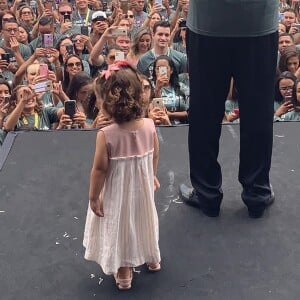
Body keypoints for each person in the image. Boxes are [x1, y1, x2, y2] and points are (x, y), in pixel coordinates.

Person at [179, 1, 278, 218]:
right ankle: (257, 193)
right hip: (258, 23)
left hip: (208, 23)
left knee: (204, 112)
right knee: (258, 112)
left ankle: (207, 194)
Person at [83, 60, 161, 290]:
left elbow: (99, 169)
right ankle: (152, 257)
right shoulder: (149, 125)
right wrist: (151, 175)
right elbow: (155, 153)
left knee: (122, 227)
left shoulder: (106, 135)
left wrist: (93, 196)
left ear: (109, 102)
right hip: (142, 188)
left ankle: (124, 270)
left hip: (117, 193)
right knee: (143, 220)